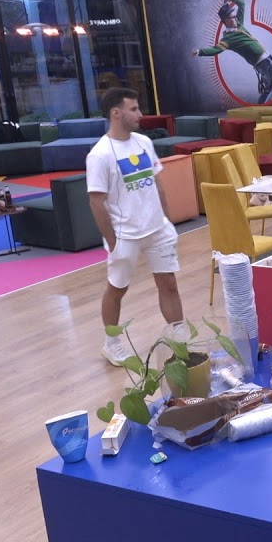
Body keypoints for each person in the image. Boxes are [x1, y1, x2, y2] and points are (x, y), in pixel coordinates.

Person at [87, 87, 186, 366]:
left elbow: (157, 183)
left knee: (169, 283)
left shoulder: (143, 142)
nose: (140, 114)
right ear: (116, 113)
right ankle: (111, 343)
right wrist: (112, 241)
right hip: (125, 236)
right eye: (133, 109)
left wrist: (166, 221)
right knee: (117, 289)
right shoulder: (100, 155)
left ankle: (179, 338)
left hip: (157, 229)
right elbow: (96, 202)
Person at [192, 0, 272, 104]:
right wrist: (199, 52)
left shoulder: (239, 24)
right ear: (226, 20)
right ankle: (269, 111)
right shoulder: (228, 39)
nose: (235, 18)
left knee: (268, 89)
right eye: (232, 17)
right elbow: (215, 50)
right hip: (263, 63)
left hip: (265, 60)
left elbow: (242, 4)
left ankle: (260, 109)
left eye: (234, 16)